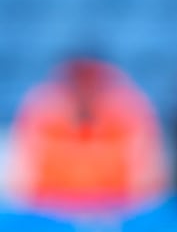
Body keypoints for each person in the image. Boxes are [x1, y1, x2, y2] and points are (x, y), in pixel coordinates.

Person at [7, 56, 167, 212]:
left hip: (115, 216)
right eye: (78, 83)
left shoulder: (129, 114)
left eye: (91, 83)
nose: (85, 91)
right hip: (50, 218)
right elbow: (21, 182)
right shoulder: (41, 116)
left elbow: (147, 186)